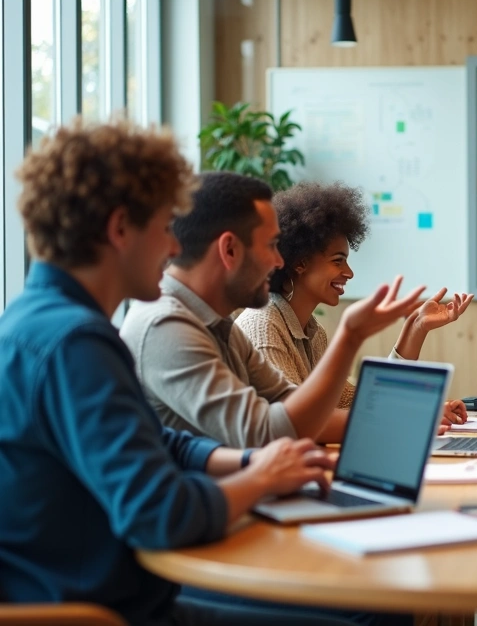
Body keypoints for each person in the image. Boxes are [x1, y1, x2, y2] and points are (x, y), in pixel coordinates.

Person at [0, 118, 380, 625]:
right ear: (119, 230)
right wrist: (261, 478)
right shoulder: (77, 344)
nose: (174, 248)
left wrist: (249, 466)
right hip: (107, 607)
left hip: (110, 591)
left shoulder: (39, 321)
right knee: (371, 612)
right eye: (163, 228)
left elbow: (157, 441)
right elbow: (160, 514)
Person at [121, 171, 427, 448]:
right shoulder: (167, 326)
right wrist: (350, 336)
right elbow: (268, 430)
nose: (279, 261)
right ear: (229, 250)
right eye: (270, 246)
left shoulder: (219, 325)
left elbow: (295, 406)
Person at [233, 181, 471, 424]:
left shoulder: (313, 332)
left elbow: (357, 400)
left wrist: (417, 327)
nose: (349, 272)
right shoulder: (263, 327)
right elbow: (295, 421)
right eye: (338, 261)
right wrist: (412, 415)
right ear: (300, 263)